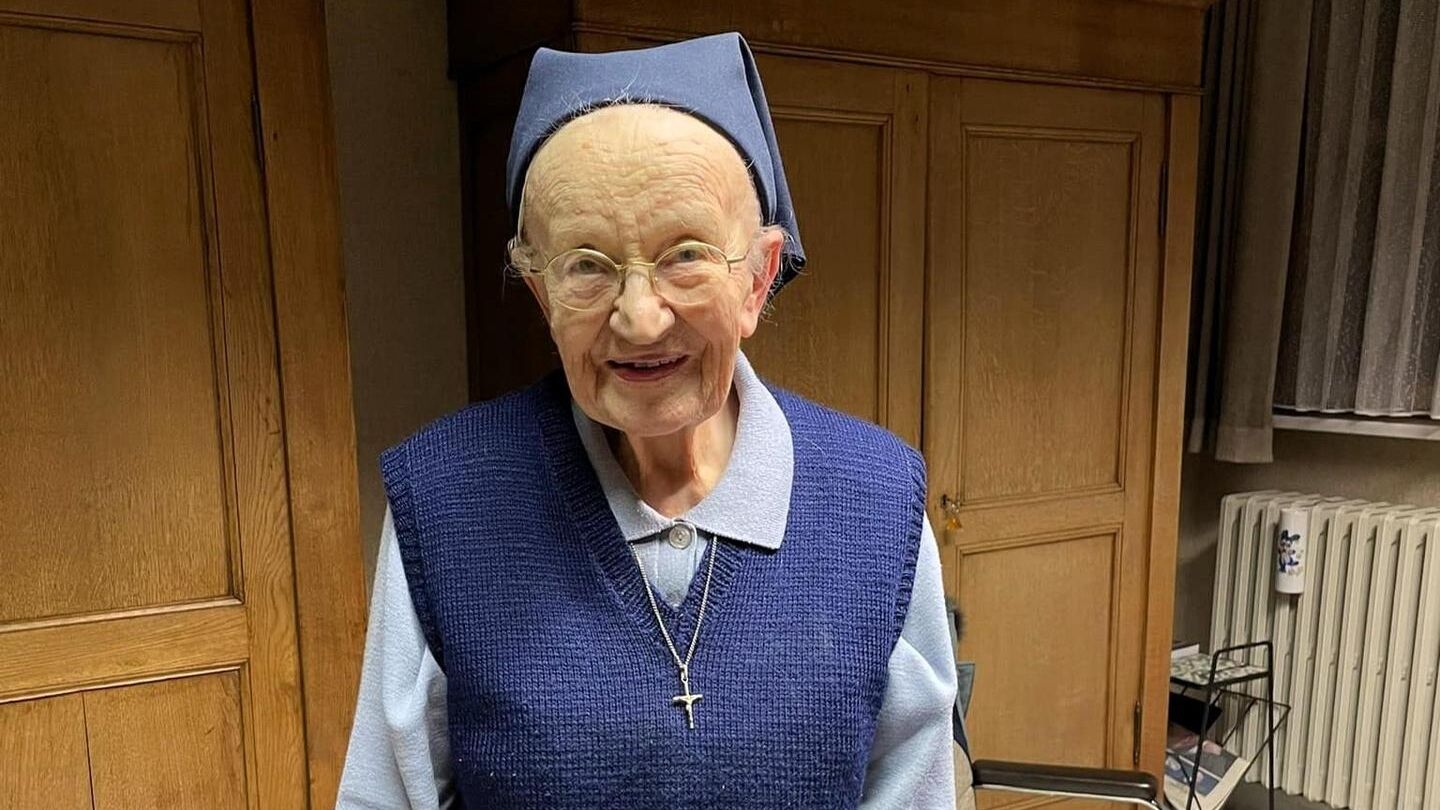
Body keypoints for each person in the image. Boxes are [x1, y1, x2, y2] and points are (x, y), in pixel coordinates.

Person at [336, 31, 959, 809]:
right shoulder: (445, 499)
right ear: (542, 294)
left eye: (685, 255)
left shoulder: (877, 500)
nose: (638, 318)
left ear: (757, 280)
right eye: (586, 266)